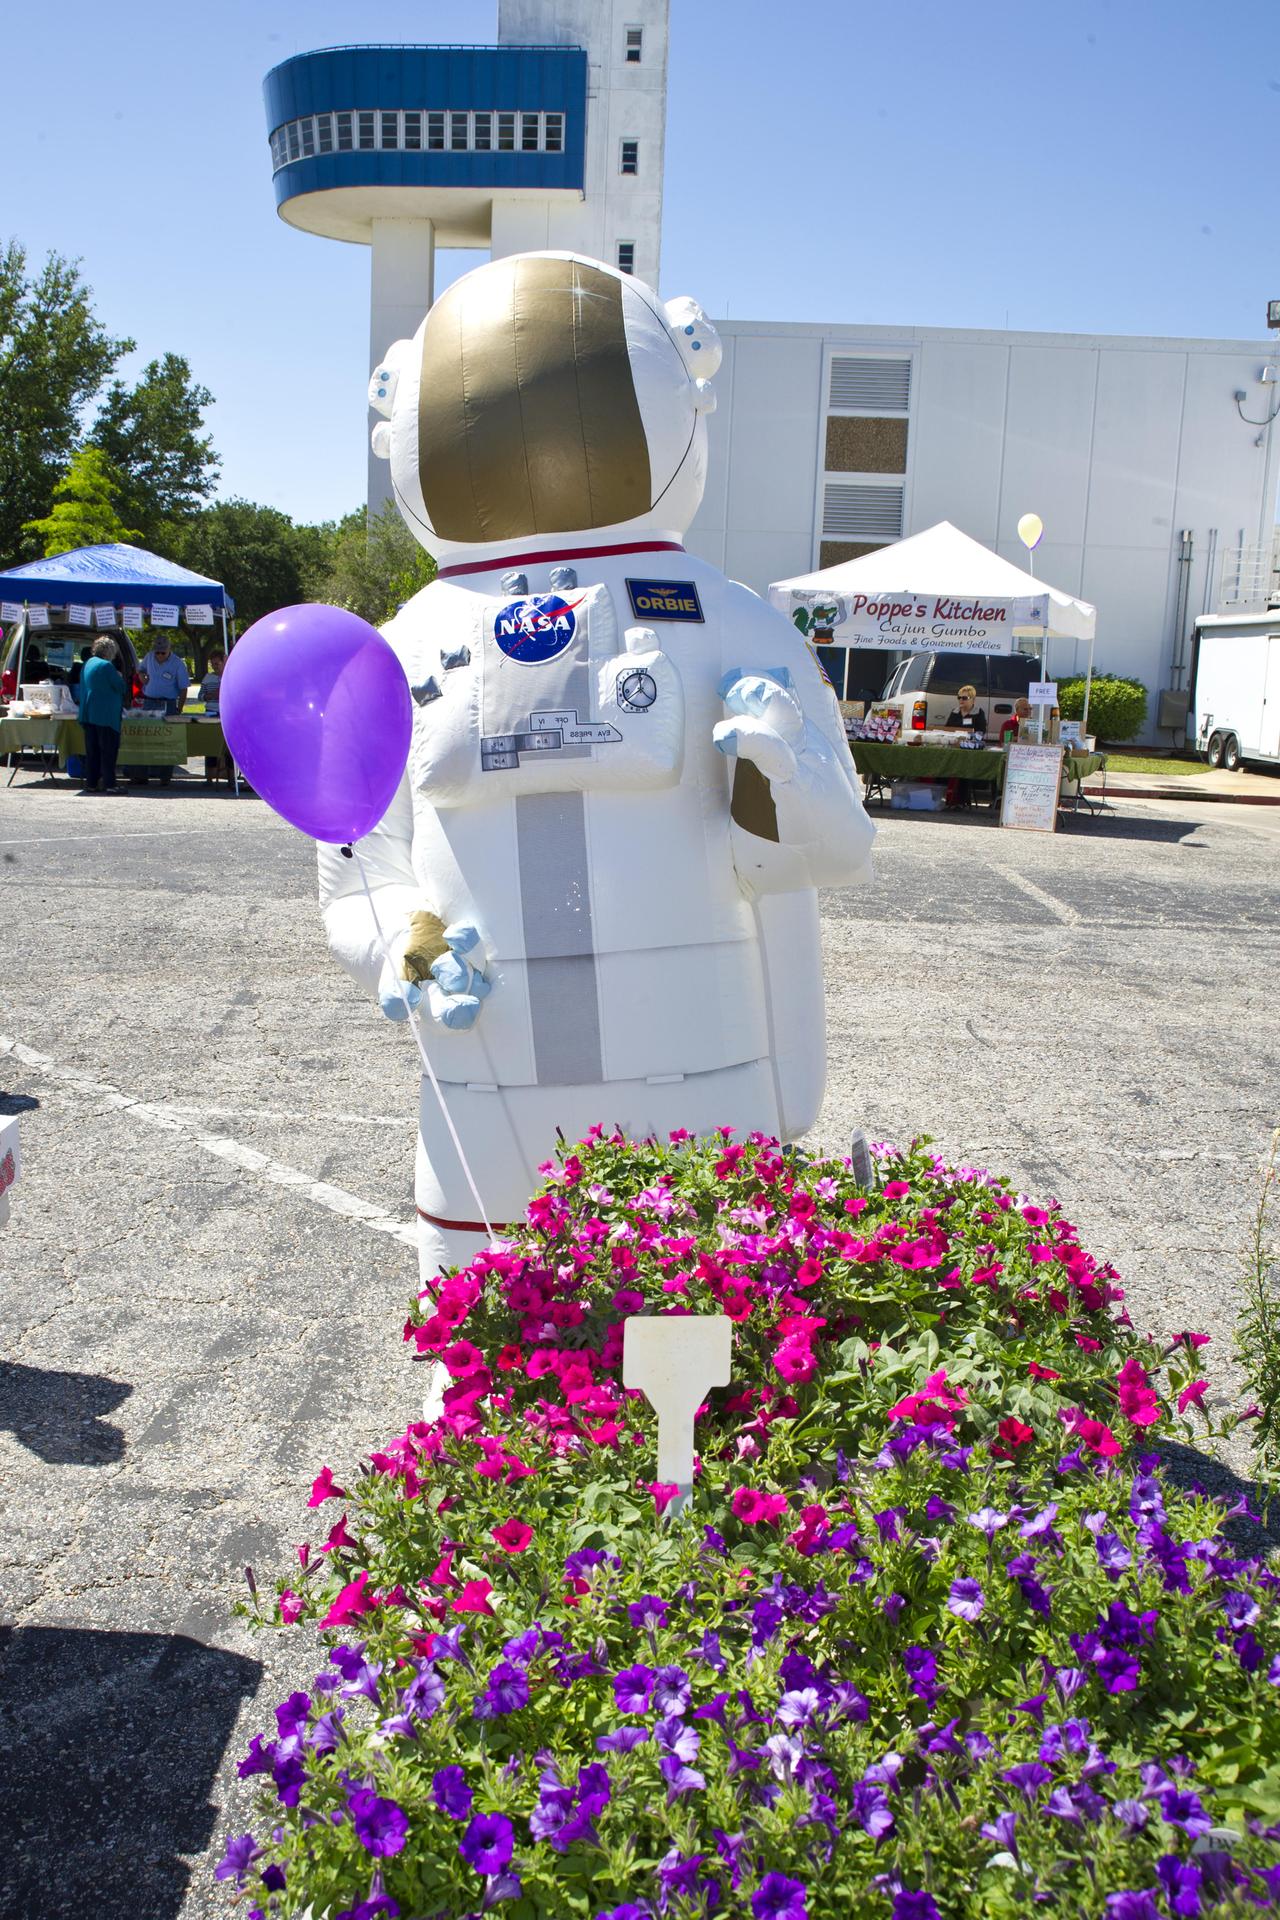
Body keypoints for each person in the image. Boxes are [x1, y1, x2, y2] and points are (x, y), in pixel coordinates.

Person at [77, 637, 126, 794]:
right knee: (108, 751)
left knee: (93, 752)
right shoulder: (107, 666)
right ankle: (110, 784)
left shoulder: (87, 663)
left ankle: (91, 783)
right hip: (106, 715)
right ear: (109, 652)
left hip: (89, 713)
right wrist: (119, 676)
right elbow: (121, 687)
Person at [138, 634, 189, 714]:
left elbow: (184, 689)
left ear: (169, 649)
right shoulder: (149, 656)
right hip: (149, 702)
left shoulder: (178, 663)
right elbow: (140, 670)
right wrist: (141, 676)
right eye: (157, 652)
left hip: (168, 704)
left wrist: (179, 709)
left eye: (163, 653)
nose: (160, 655)